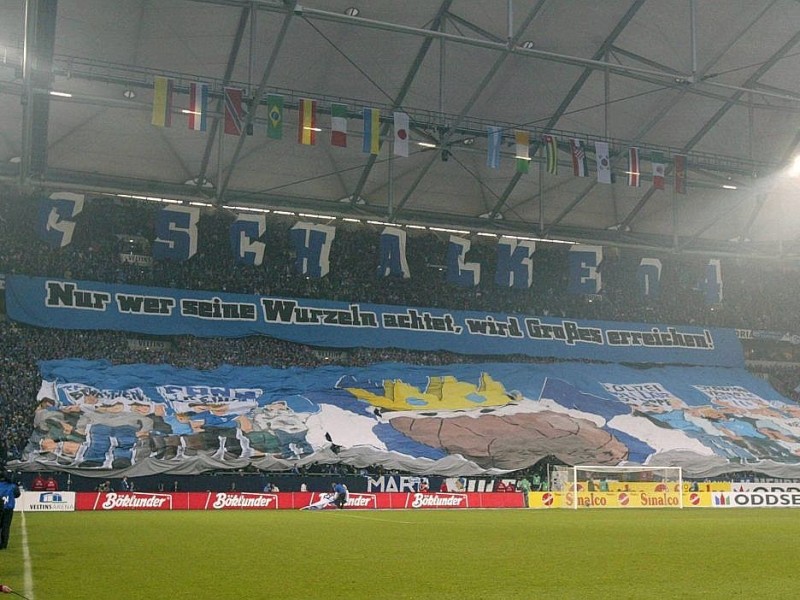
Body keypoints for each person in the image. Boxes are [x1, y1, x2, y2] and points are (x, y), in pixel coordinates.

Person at [0, 470, 21, 550]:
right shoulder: (12, 486)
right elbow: (17, 495)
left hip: (0, 507)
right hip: (8, 509)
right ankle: (4, 544)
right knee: (6, 527)